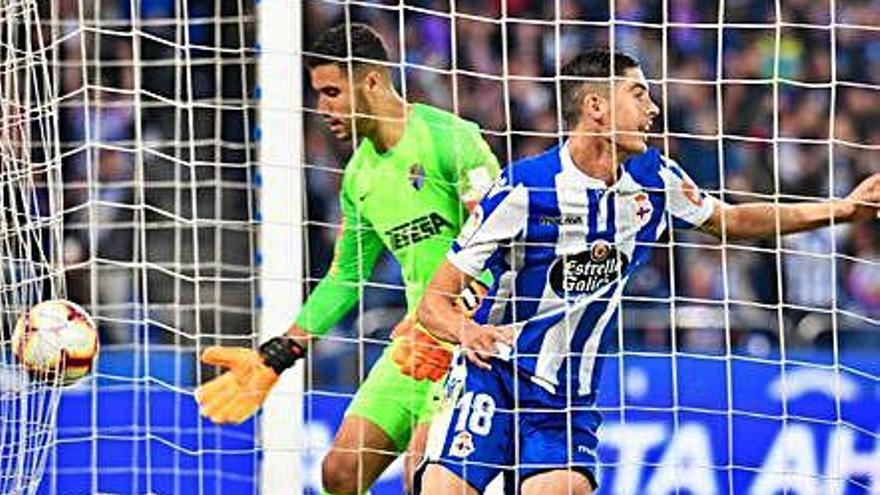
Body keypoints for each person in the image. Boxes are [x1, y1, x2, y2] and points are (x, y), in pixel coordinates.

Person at [412, 49, 880, 495]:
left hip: (566, 398)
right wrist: (466, 331)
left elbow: (731, 221)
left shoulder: (655, 180)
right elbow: (435, 302)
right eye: (638, 94)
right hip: (492, 378)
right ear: (595, 106)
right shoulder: (522, 189)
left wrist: (842, 209)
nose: (653, 109)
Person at [193, 23, 500, 494]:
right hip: (418, 346)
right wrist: (281, 352)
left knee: (425, 478)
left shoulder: (451, 139)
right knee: (339, 474)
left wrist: (452, 325)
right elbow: (347, 277)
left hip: (474, 340)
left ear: (372, 82)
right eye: (319, 95)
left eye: (333, 92)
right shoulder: (359, 176)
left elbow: (500, 246)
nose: (323, 109)